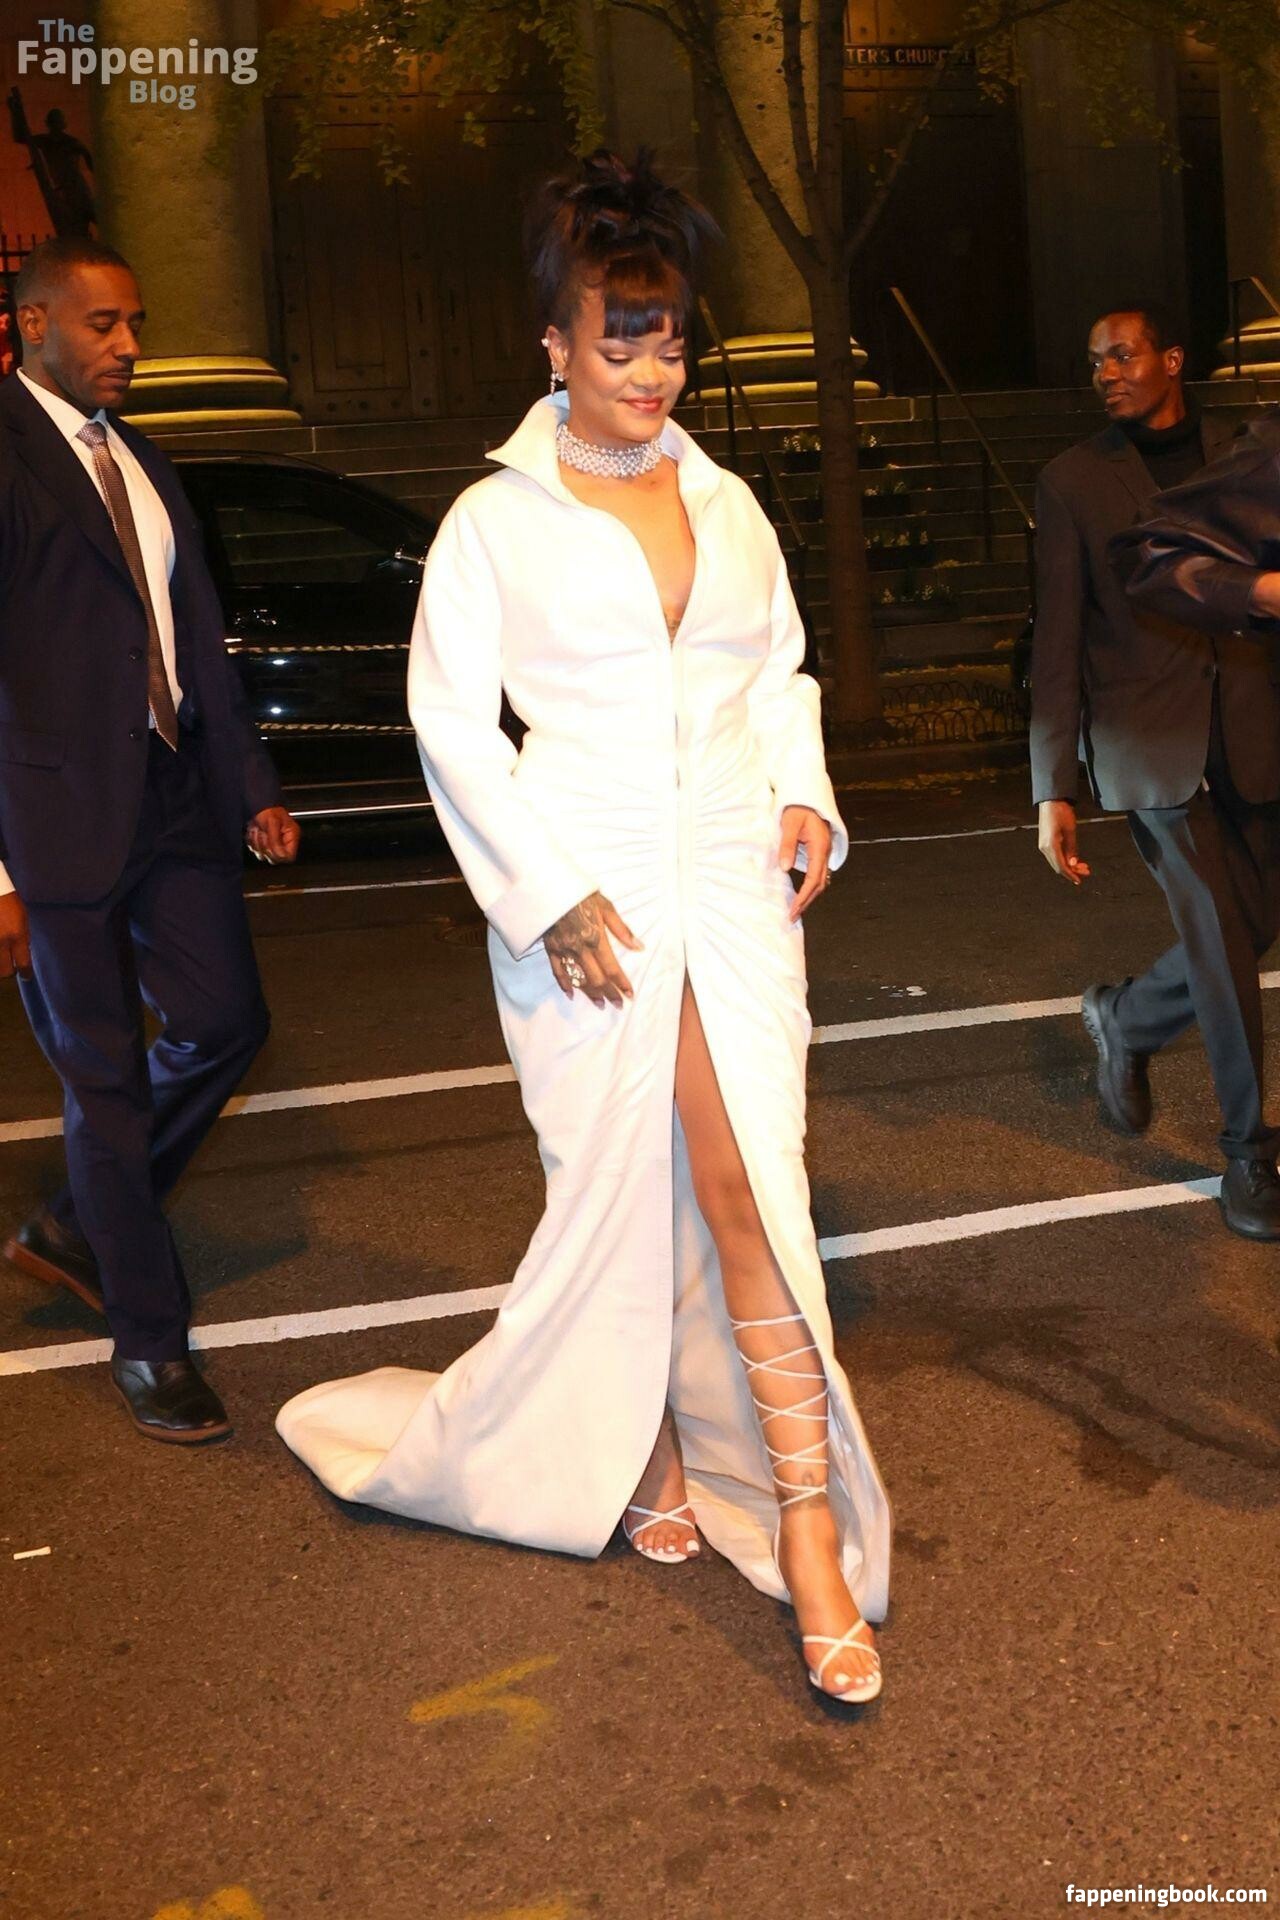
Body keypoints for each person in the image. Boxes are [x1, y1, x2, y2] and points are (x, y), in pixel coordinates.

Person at [278, 151, 890, 1703]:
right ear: (555, 344)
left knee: (750, 1191)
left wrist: (805, 792)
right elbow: (452, 726)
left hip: (733, 884)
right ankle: (656, 1448)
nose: (651, 372)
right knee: (625, 1202)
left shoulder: (728, 502)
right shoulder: (497, 521)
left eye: (670, 340)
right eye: (621, 343)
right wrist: (544, 894)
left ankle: (806, 1521)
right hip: (585, 902)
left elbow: (777, 674)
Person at [0, 236, 300, 1440]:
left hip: (173, 796)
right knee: (106, 1079)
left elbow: (195, 640)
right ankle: (148, 1341)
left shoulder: (142, 460)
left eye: (135, 324)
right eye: (104, 324)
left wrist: (248, 785)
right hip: (48, 820)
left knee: (229, 1021)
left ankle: (81, 1219)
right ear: (32, 324)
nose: (130, 345)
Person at [1029, 304, 1280, 1238]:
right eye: (1095, 360)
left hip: (1253, 723)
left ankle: (1128, 1021)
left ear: (1172, 358)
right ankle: (1248, 1155)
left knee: (1251, 924)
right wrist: (1053, 784)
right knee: (1217, 933)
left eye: (1123, 355)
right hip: (1148, 743)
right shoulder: (1071, 481)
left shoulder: (1243, 453)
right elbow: (1057, 635)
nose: (1106, 372)